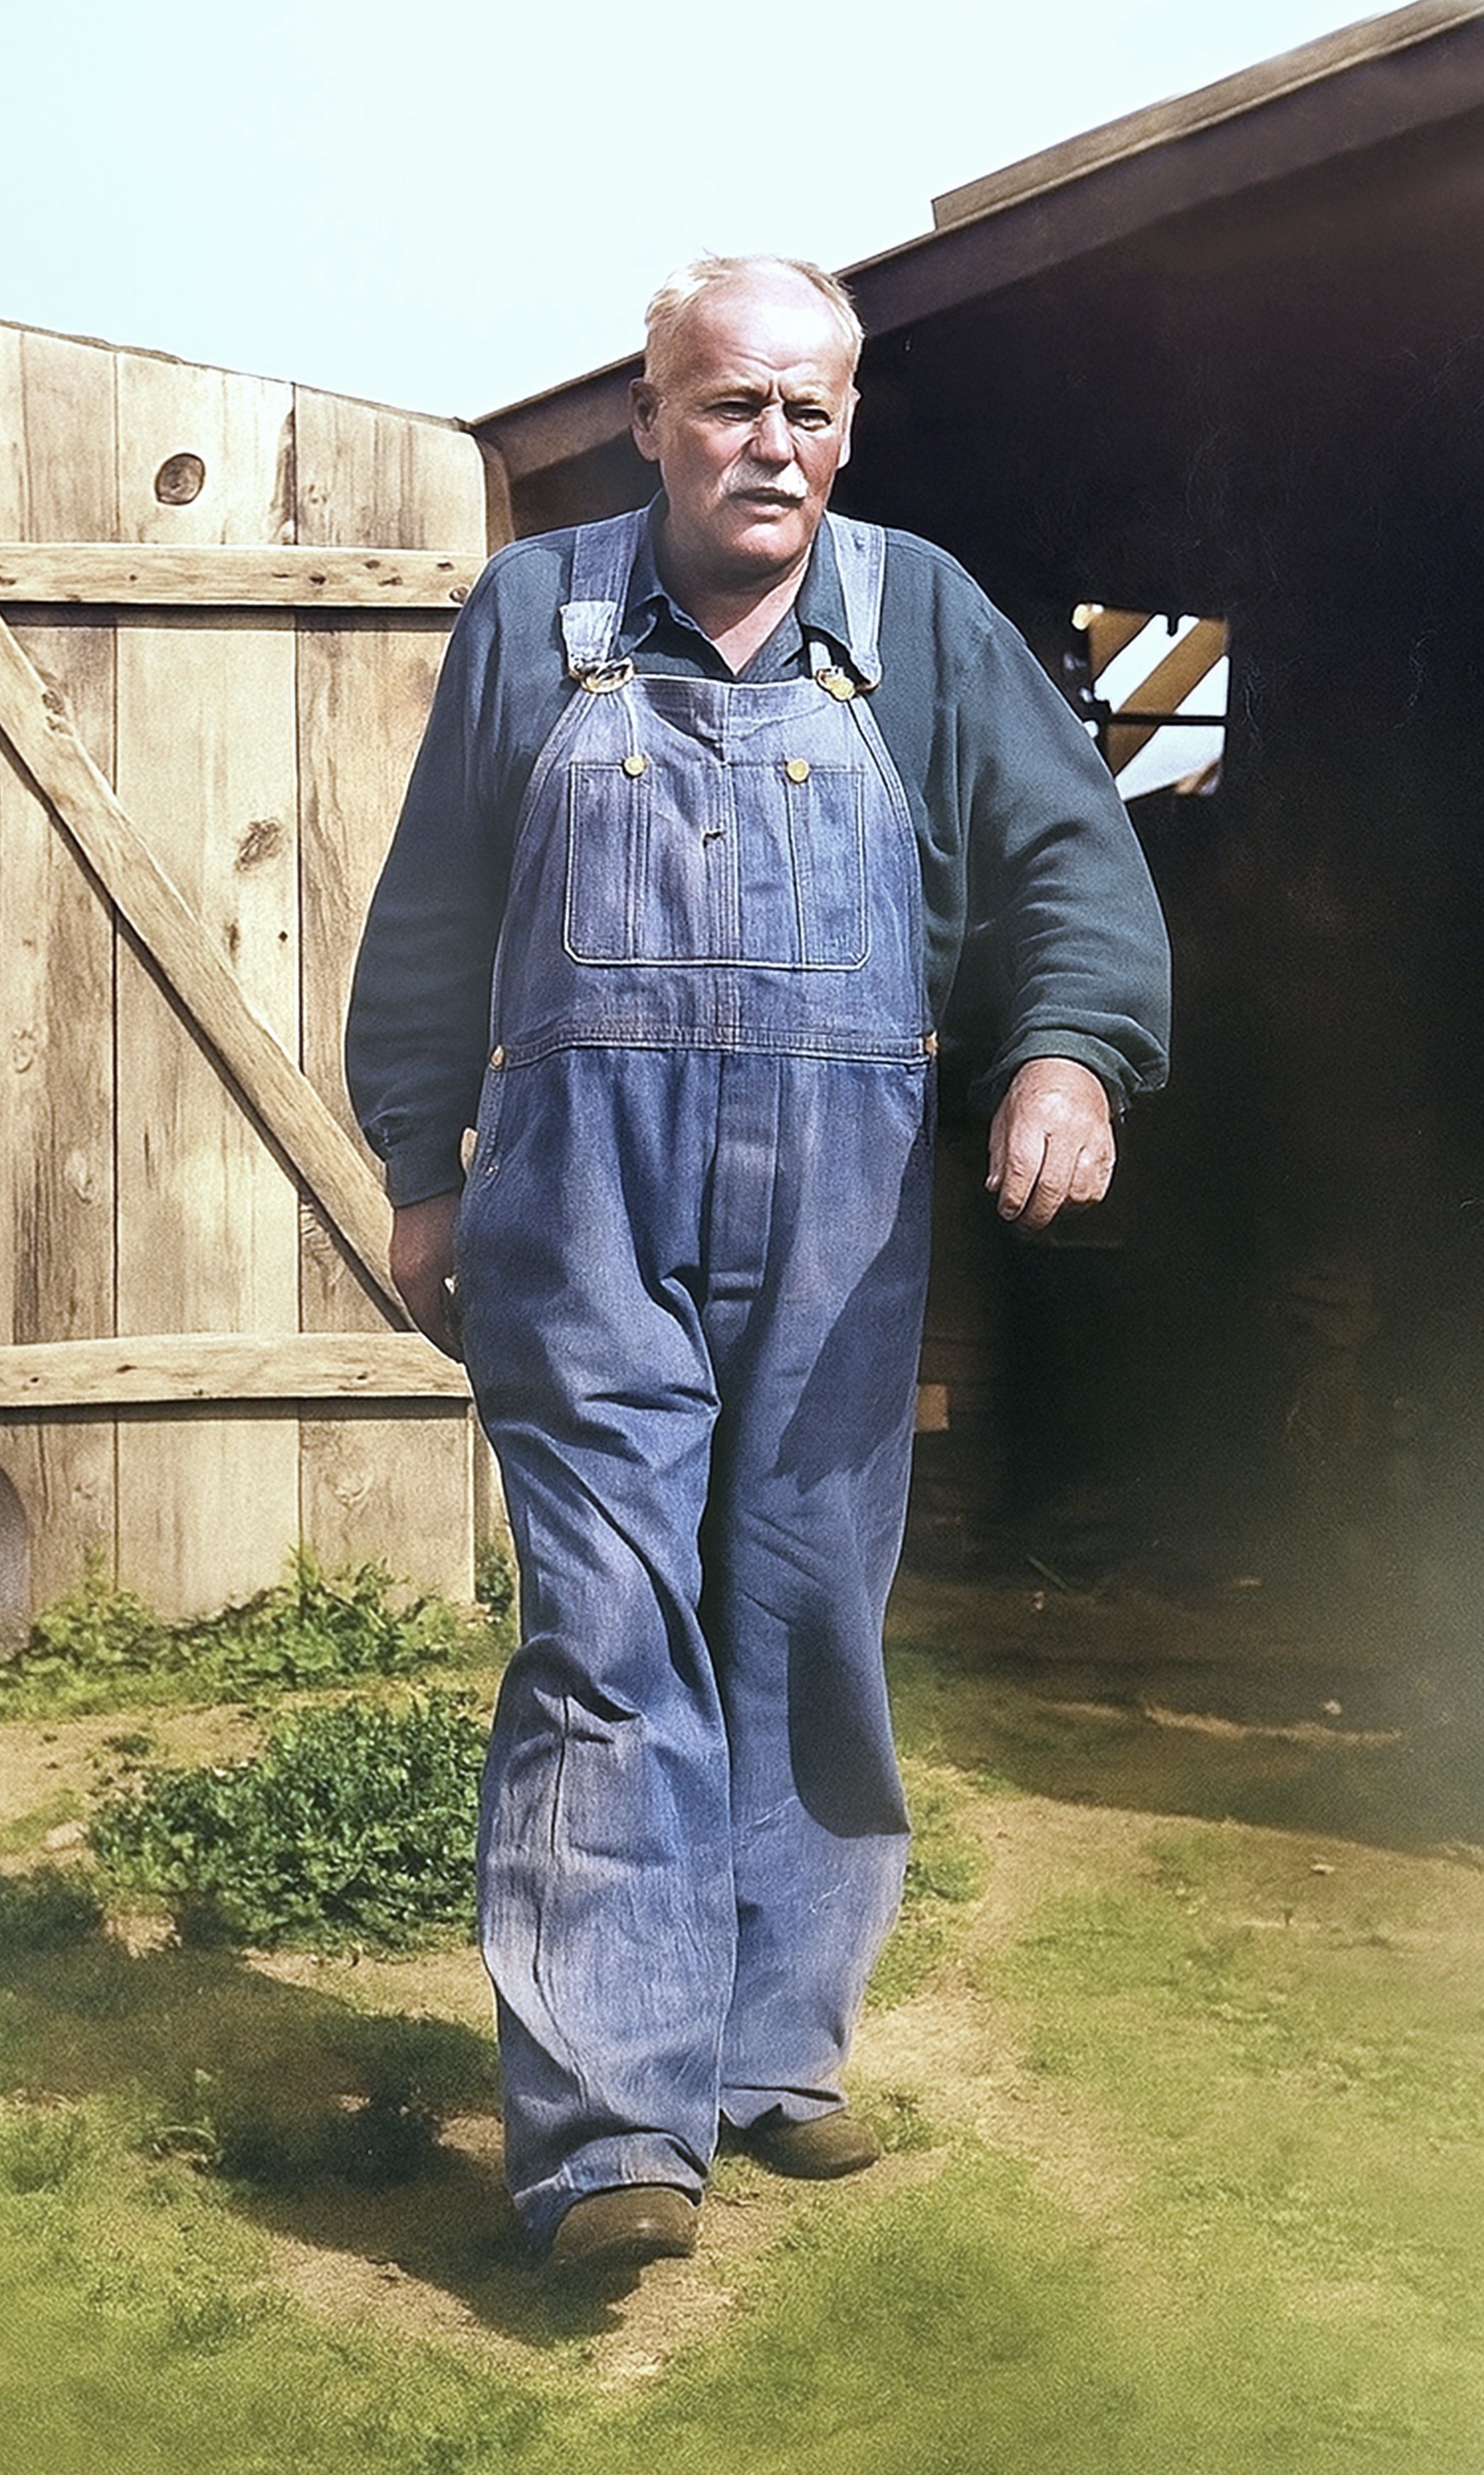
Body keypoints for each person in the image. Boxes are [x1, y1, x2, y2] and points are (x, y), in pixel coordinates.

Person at [346, 255, 1169, 2282]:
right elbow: (434, 911)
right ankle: (612, 2129)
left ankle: (771, 2053)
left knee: (808, 1609)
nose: (772, 446)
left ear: (849, 432)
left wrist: (1068, 1054)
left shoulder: (922, 619)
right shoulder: (533, 617)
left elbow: (1072, 856)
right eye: (731, 405)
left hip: (840, 1211)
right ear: (650, 419)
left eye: (810, 411)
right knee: (607, 1630)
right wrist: (420, 1169)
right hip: (580, 1202)